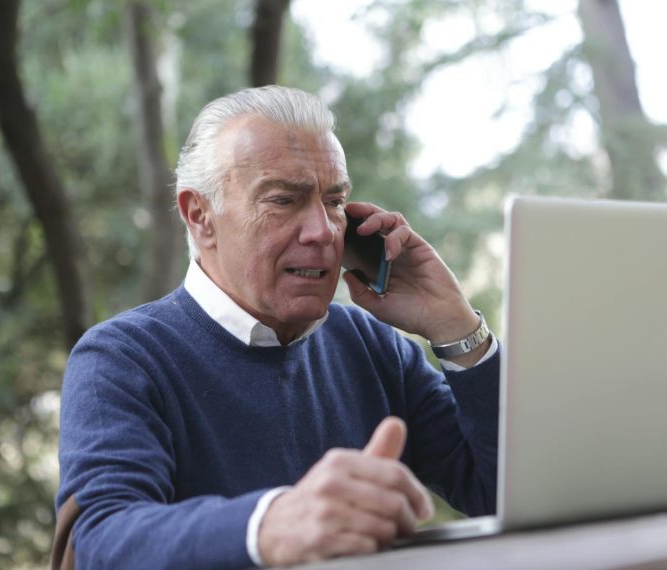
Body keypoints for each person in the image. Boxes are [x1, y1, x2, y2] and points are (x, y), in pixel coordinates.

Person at [52, 85, 500, 569]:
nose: (323, 231)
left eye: (334, 202)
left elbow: (500, 491)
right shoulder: (122, 358)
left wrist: (455, 325)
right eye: (284, 200)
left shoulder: (371, 346)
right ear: (200, 216)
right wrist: (269, 526)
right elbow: (100, 540)